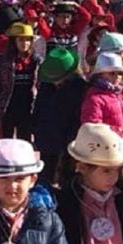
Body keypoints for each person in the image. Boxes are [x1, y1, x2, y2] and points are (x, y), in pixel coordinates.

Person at [32, 48, 88, 185]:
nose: (54, 82)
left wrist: (71, 139)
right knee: (46, 175)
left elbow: (77, 118)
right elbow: (39, 108)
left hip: (69, 140)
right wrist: (36, 128)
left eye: (57, 79)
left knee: (68, 177)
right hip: (47, 137)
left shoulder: (80, 89)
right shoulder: (46, 86)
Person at [0, 23, 41, 141]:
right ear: (13, 41)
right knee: (5, 140)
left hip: (28, 106)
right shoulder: (4, 62)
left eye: (28, 40)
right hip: (8, 106)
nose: (25, 44)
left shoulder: (36, 61)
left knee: (25, 140)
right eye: (21, 40)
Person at [79, 52, 123, 137]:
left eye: (120, 73)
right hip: (105, 147)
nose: (117, 77)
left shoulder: (118, 95)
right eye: (112, 73)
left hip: (119, 144)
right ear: (100, 75)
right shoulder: (94, 99)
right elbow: (93, 129)